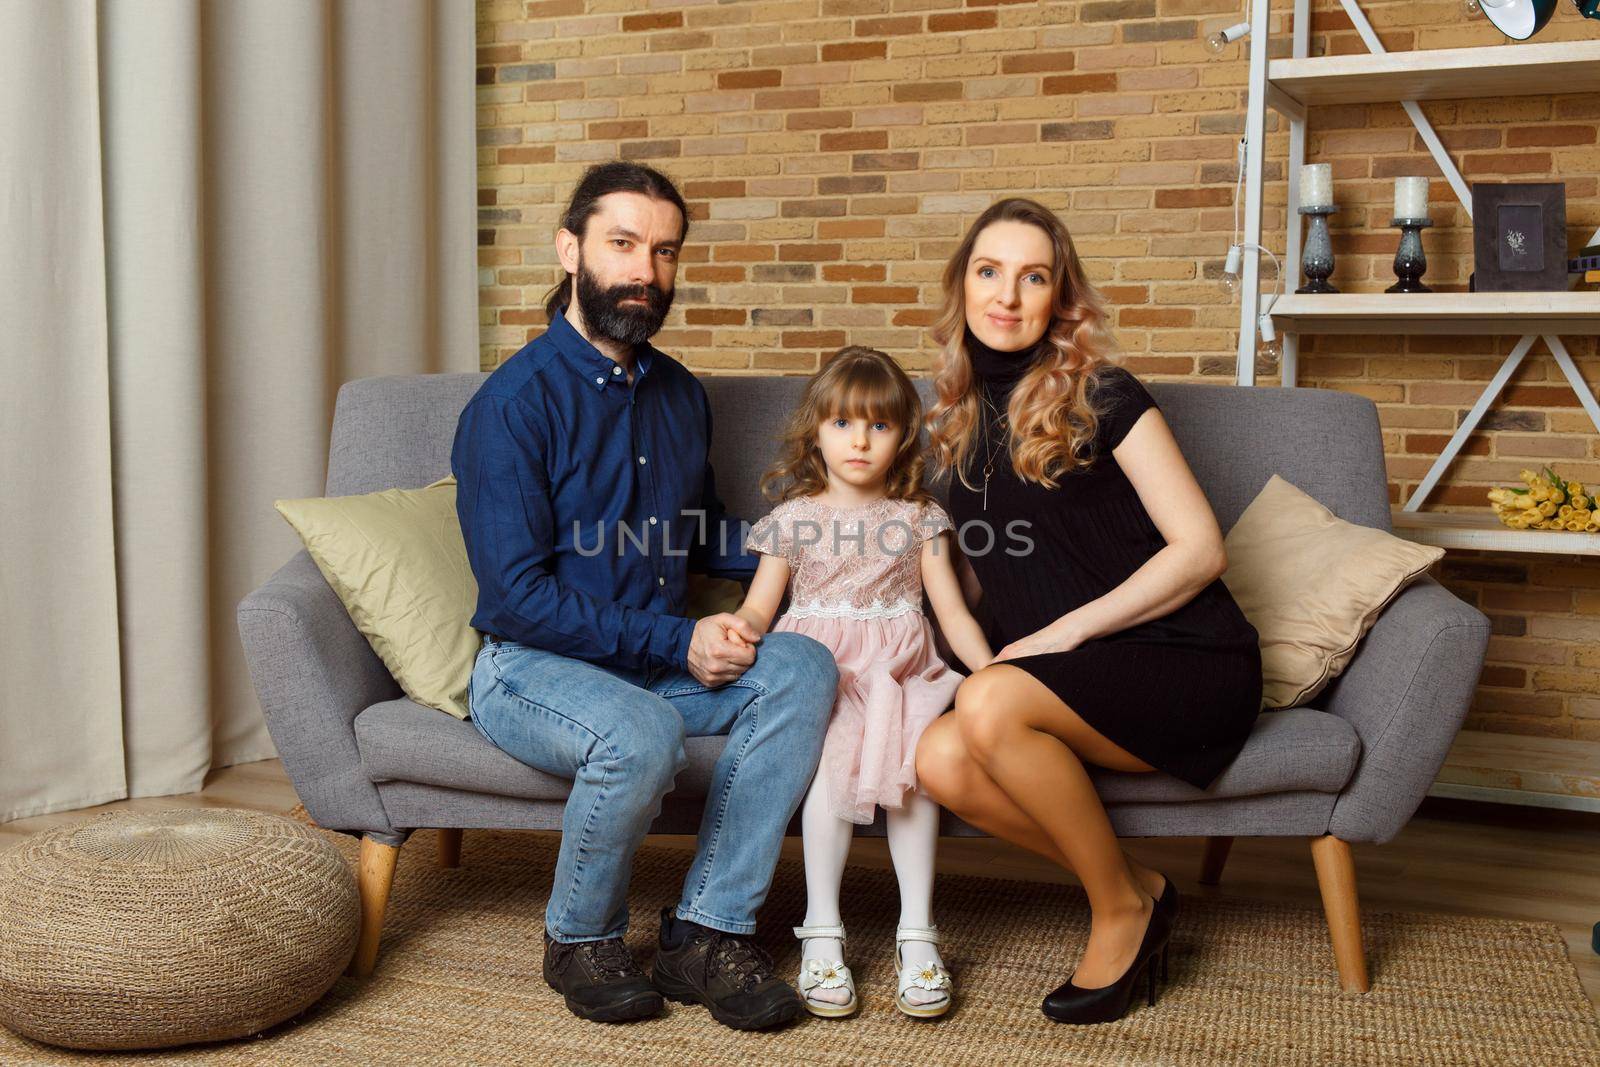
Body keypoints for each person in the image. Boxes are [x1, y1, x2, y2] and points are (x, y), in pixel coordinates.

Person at [451, 162, 837, 1032]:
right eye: (623, 245)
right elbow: (514, 597)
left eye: (664, 252)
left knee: (805, 667)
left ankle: (705, 930)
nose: (646, 272)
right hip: (532, 670)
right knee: (640, 729)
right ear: (570, 249)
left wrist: (823, 544)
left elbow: (699, 538)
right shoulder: (511, 406)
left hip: (650, 659)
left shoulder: (680, 395)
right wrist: (679, 644)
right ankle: (579, 938)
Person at [913, 198, 1264, 1025]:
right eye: (988, 272)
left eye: (1032, 276)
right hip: (1070, 675)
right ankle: (1136, 881)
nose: (1007, 295)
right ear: (961, 288)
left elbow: (1199, 548)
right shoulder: (953, 426)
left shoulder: (1105, 393)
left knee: (989, 698)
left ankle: (1120, 913)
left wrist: (1066, 630)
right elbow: (978, 582)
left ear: (1059, 298)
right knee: (937, 759)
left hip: (1185, 655)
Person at [734, 347, 993, 1020]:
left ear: (902, 435)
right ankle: (823, 927)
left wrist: (995, 673)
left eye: (878, 425)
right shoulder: (793, 518)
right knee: (832, 772)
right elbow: (760, 609)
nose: (859, 439)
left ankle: (917, 932)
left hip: (900, 671)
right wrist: (733, 637)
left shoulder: (918, 517)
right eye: (843, 422)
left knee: (909, 771)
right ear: (815, 431)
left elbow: (954, 614)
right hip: (821, 669)